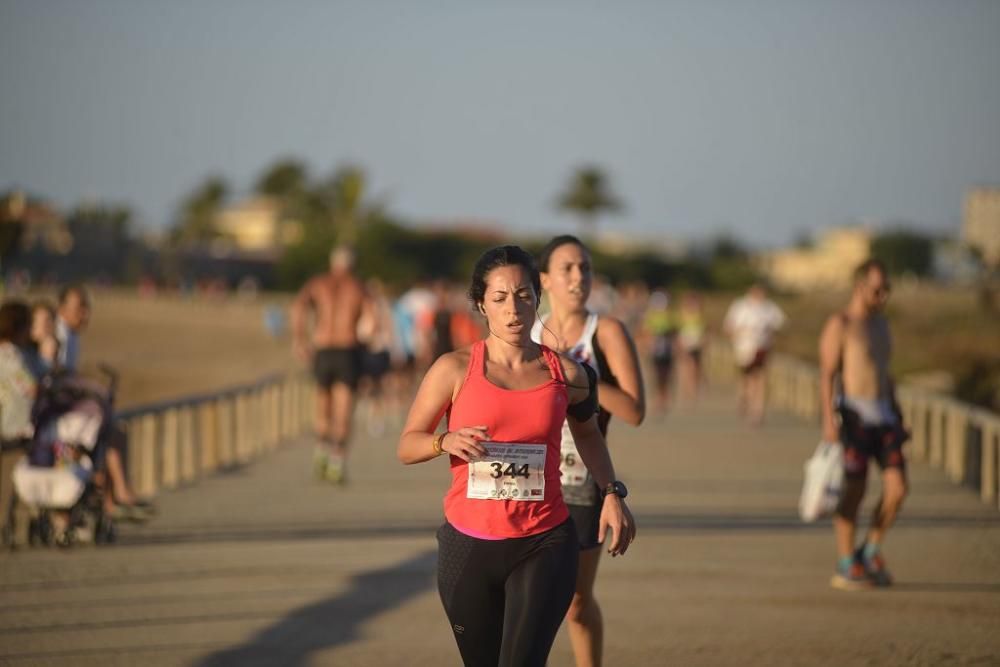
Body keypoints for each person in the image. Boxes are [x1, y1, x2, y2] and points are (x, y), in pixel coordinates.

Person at [397, 245, 636, 667]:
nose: (513, 310)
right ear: (480, 304)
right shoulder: (453, 369)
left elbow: (589, 435)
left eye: (524, 296)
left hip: (544, 542)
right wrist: (443, 441)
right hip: (468, 547)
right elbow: (407, 445)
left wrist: (612, 493)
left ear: (537, 298)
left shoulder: (571, 375)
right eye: (500, 298)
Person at [533, 235, 645, 667]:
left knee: (576, 602)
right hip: (530, 475)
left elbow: (635, 411)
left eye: (585, 268)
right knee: (530, 597)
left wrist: (579, 376)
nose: (579, 277)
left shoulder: (608, 331)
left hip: (583, 477)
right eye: (567, 268)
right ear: (545, 279)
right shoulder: (526, 331)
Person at [819, 258, 908, 590]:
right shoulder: (840, 323)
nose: (883, 295)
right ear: (859, 287)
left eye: (887, 289)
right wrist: (828, 422)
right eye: (877, 289)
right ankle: (846, 562)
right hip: (855, 418)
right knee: (854, 491)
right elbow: (827, 375)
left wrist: (897, 411)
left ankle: (870, 548)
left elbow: (886, 373)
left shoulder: (882, 325)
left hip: (884, 416)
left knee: (898, 490)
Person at [290, 245, 368, 483]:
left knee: (322, 406)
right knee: (343, 410)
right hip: (347, 349)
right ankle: (337, 461)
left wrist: (300, 340)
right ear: (352, 263)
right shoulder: (358, 287)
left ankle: (321, 450)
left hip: (322, 348)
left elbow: (298, 308)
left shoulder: (317, 284)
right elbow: (372, 321)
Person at [723, 283, 786, 425]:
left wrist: (769, 332)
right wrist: (742, 332)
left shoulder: (769, 307)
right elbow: (728, 327)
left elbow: (781, 324)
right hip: (743, 349)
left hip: (763, 347)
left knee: (760, 377)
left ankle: (757, 411)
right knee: (747, 378)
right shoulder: (740, 306)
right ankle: (745, 398)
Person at [642, 290, 677, 416]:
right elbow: (646, 333)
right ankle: (658, 401)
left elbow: (674, 333)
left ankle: (664, 400)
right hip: (655, 352)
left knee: (666, 377)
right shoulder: (651, 316)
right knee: (657, 377)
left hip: (667, 351)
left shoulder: (670, 316)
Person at [676, 291, 707, 405]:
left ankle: (693, 391)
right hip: (686, 344)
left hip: (697, 345)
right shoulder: (683, 315)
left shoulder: (700, 315)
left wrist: (704, 340)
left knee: (696, 368)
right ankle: (686, 392)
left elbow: (704, 331)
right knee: (687, 367)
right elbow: (679, 331)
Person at [30, 300, 60, 371]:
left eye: (50, 320)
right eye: (44, 321)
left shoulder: (55, 345)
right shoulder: (25, 351)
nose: (47, 326)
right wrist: (47, 357)